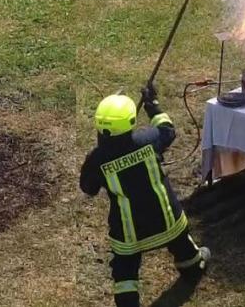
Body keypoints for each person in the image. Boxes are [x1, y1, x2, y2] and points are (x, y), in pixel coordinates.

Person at [80, 89, 210, 307]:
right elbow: (167, 130)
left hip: (129, 232)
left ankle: (128, 301)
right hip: (166, 219)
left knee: (124, 269)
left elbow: (88, 188)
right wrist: (152, 105)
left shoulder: (96, 160)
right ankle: (193, 267)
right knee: (182, 244)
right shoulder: (147, 140)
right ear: (130, 121)